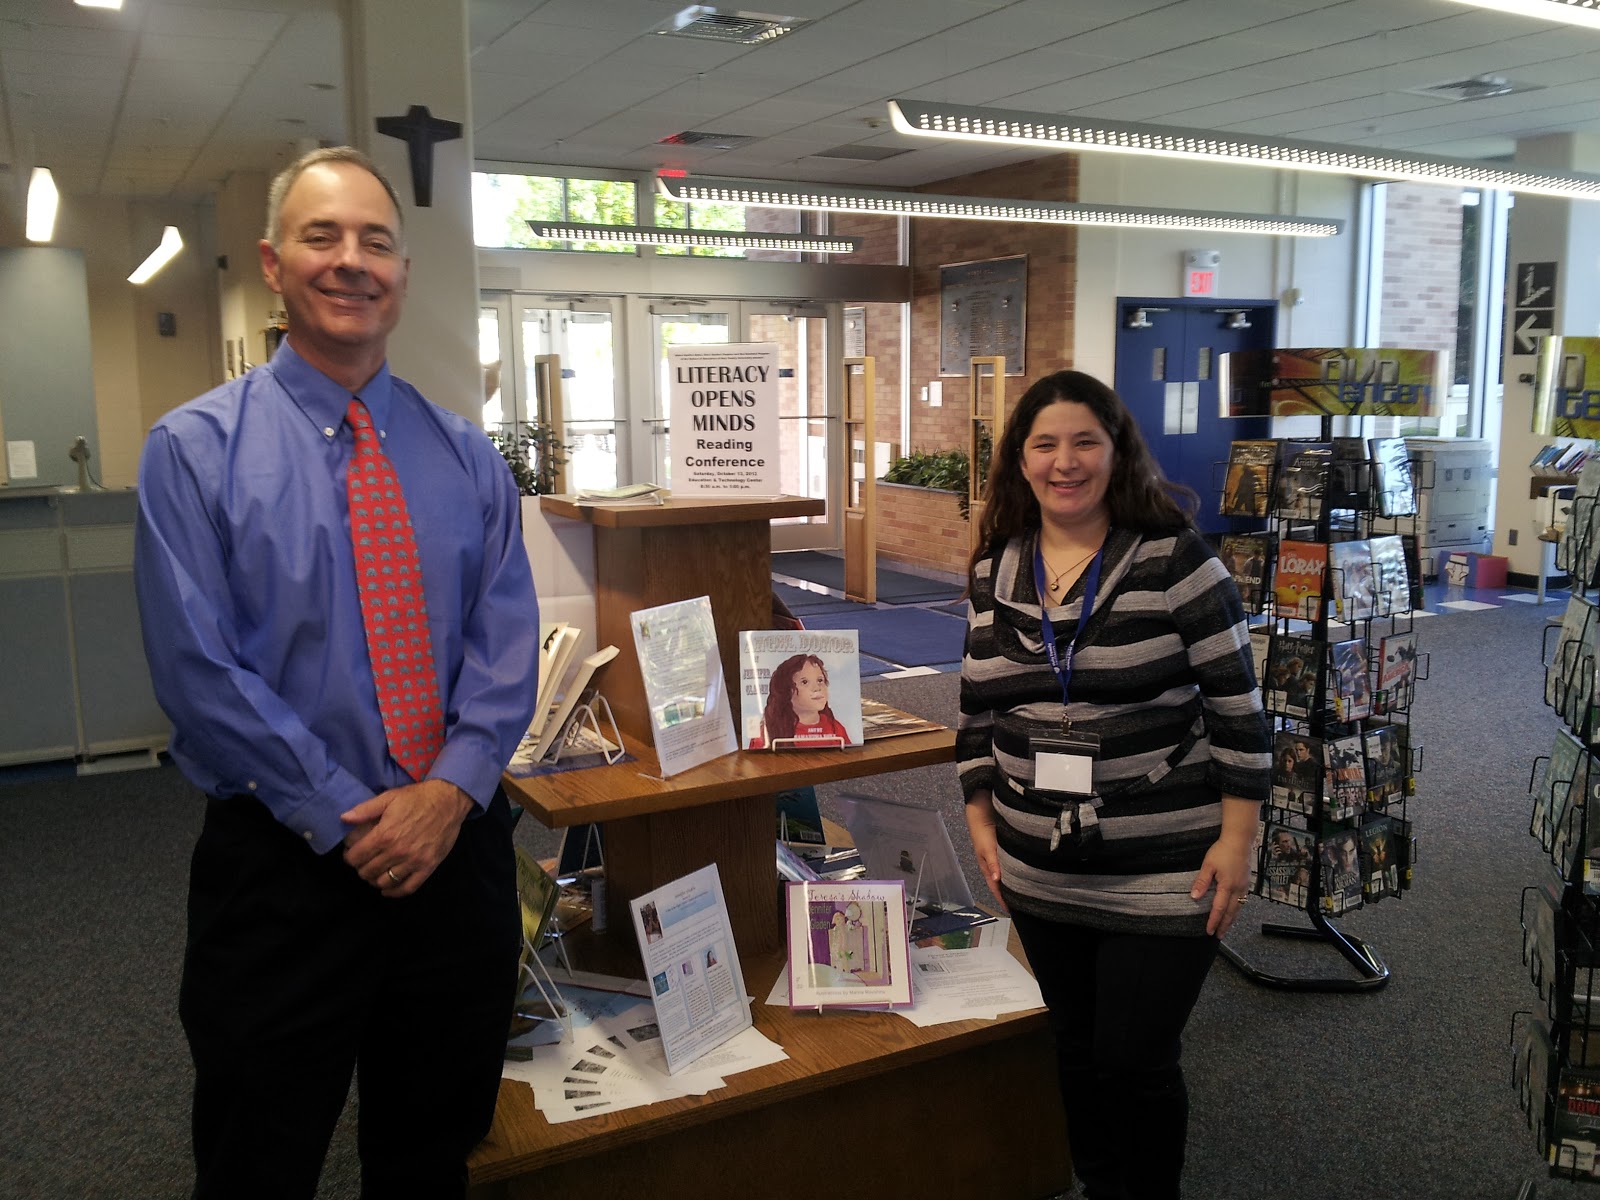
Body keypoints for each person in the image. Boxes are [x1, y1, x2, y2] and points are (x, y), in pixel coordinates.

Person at [134, 147, 540, 1199]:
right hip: (286, 868)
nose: (351, 260)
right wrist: (344, 814)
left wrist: (447, 796)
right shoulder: (192, 452)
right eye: (322, 236)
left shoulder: (466, 457)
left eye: (376, 241)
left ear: (403, 274)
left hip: (452, 855)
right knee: (257, 1157)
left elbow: (506, 646)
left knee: (432, 1149)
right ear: (274, 264)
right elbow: (199, 672)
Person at [957, 369, 1270, 1200]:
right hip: (1038, 864)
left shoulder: (1176, 560)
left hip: (1165, 865)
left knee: (1135, 1060)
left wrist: (1238, 842)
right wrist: (981, 818)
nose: (1065, 462)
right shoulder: (995, 569)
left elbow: (1238, 710)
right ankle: (1101, 1187)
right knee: (1074, 1047)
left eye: (1084, 442)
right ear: (1020, 461)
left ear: (1117, 451)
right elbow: (978, 709)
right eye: (1045, 444)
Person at [751, 652, 852, 747]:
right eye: (804, 682)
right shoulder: (768, 732)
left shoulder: (836, 728)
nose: (817, 688)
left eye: (820, 680)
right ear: (786, 691)